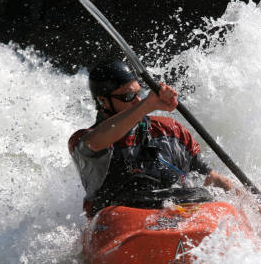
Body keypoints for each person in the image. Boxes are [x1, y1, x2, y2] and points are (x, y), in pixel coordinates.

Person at [69, 60, 234, 217]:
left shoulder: (169, 131)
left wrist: (252, 206)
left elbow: (211, 178)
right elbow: (95, 142)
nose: (138, 101)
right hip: (117, 225)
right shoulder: (84, 140)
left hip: (171, 220)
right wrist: (148, 104)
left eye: (138, 94)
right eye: (128, 97)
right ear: (103, 101)